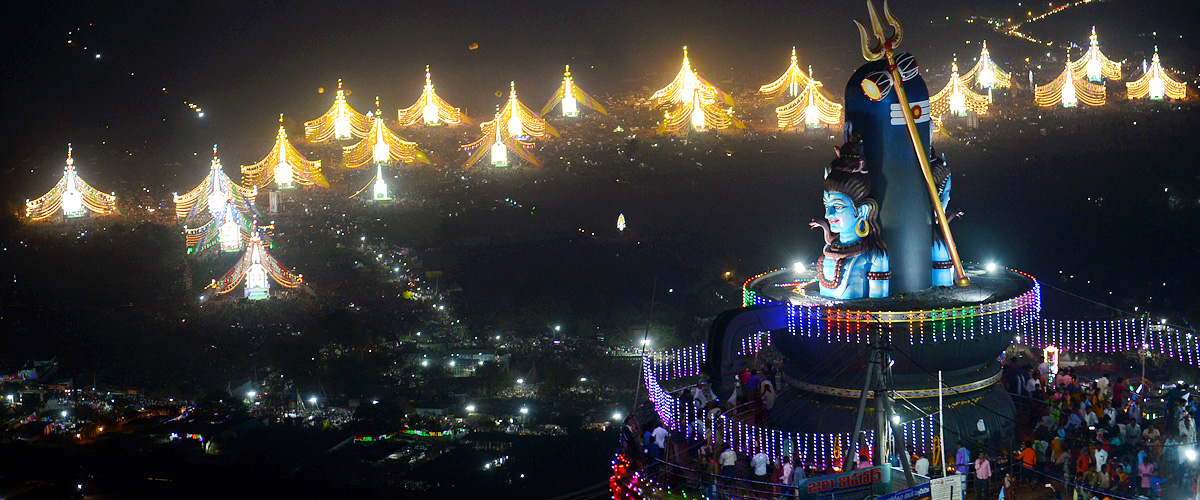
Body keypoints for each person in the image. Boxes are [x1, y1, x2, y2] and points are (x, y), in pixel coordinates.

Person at [810, 137, 889, 299]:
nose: (828, 214)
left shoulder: (873, 256)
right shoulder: (829, 251)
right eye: (827, 206)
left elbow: (878, 306)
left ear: (862, 210)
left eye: (838, 207)